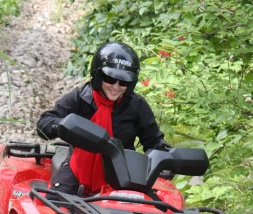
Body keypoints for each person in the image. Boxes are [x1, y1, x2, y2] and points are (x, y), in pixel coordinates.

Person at [37, 41, 171, 196]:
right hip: (77, 166)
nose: (116, 86)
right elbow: (44, 122)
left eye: (124, 82)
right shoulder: (80, 98)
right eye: (110, 79)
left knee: (151, 212)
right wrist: (63, 125)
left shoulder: (136, 105)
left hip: (124, 172)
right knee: (56, 204)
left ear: (131, 83)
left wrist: (166, 160)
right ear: (98, 75)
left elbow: (154, 142)